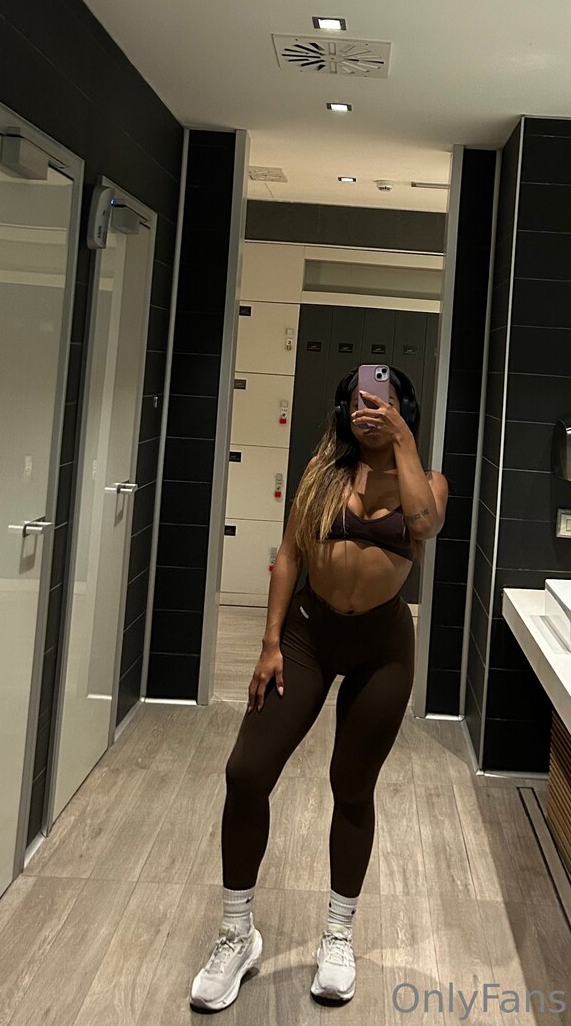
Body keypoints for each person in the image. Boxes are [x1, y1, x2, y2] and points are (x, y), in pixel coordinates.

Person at [189, 365, 448, 1012]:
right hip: (308, 634)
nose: (368, 410)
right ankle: (236, 933)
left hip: (382, 647)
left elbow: (425, 525)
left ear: (402, 409)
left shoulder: (426, 479)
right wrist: (269, 642)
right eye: (358, 401)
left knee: (352, 787)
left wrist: (402, 439)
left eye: (382, 402)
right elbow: (289, 555)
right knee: (247, 771)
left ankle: (338, 934)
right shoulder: (322, 475)